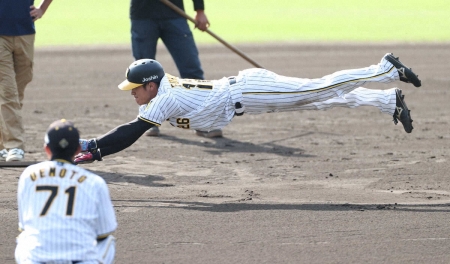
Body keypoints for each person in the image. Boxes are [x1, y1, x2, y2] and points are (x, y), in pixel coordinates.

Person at [73, 53, 421, 164]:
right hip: (246, 95)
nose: (131, 93)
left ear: (150, 85)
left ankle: (385, 69)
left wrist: (95, 149)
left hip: (250, 92)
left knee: (319, 87)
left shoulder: (163, 98)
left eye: (135, 88)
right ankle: (386, 100)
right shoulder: (161, 86)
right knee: (320, 98)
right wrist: (96, 146)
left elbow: (131, 132)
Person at [15, 119, 117, 263]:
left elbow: (24, 225)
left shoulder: (29, 175)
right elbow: (104, 232)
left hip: (37, 260)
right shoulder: (94, 182)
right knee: (108, 241)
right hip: (80, 260)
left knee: (24, 236)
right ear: (77, 150)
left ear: (47, 148)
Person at [129, 0, 223, 138]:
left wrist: (199, 10)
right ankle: (148, 120)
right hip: (143, 15)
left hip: (175, 15)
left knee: (191, 69)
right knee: (143, 72)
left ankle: (202, 121)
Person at [0, 0, 53, 162]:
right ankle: (14, 146)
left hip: (25, 32)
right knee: (8, 92)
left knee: (16, 91)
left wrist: (42, 9)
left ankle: (2, 143)